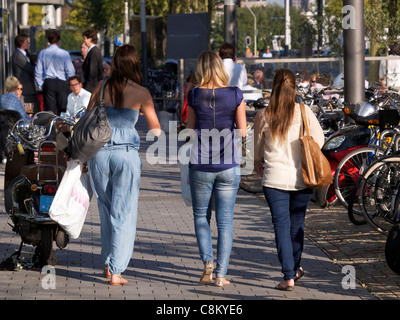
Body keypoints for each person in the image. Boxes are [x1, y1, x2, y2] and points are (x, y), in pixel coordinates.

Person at [86, 44, 160, 286]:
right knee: (124, 213)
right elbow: (156, 129)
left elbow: (87, 116)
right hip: (125, 155)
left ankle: (108, 264)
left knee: (106, 211)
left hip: (99, 154)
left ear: (116, 63)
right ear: (135, 64)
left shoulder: (102, 86)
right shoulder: (141, 92)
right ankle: (117, 271)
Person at [253, 69, 324, 291]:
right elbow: (319, 140)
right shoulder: (304, 112)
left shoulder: (264, 115)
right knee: (297, 225)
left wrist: (257, 164)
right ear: (294, 88)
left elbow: (255, 150)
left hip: (274, 180)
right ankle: (294, 268)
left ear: (273, 87)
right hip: (302, 177)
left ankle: (289, 275)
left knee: (281, 226)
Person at [186, 51, 247, 287]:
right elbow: (242, 131)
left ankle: (207, 263)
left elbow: (190, 130)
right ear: (220, 68)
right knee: (225, 222)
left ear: (201, 68)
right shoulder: (234, 94)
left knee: (201, 216)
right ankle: (221, 275)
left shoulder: (194, 94)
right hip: (228, 165)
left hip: (201, 163)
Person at [34, 29, 75, 115]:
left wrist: (42, 84)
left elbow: (38, 71)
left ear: (48, 40)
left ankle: (51, 127)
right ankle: (61, 127)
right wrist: (68, 83)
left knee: (50, 111)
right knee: (63, 110)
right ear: (59, 41)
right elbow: (71, 71)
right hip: (62, 83)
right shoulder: (64, 53)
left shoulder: (42, 53)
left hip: (49, 83)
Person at [11, 33, 39, 113]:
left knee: (34, 110)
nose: (28, 43)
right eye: (27, 41)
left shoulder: (25, 54)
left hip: (29, 89)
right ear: (20, 42)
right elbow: (29, 68)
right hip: (26, 90)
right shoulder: (18, 56)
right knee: (30, 112)